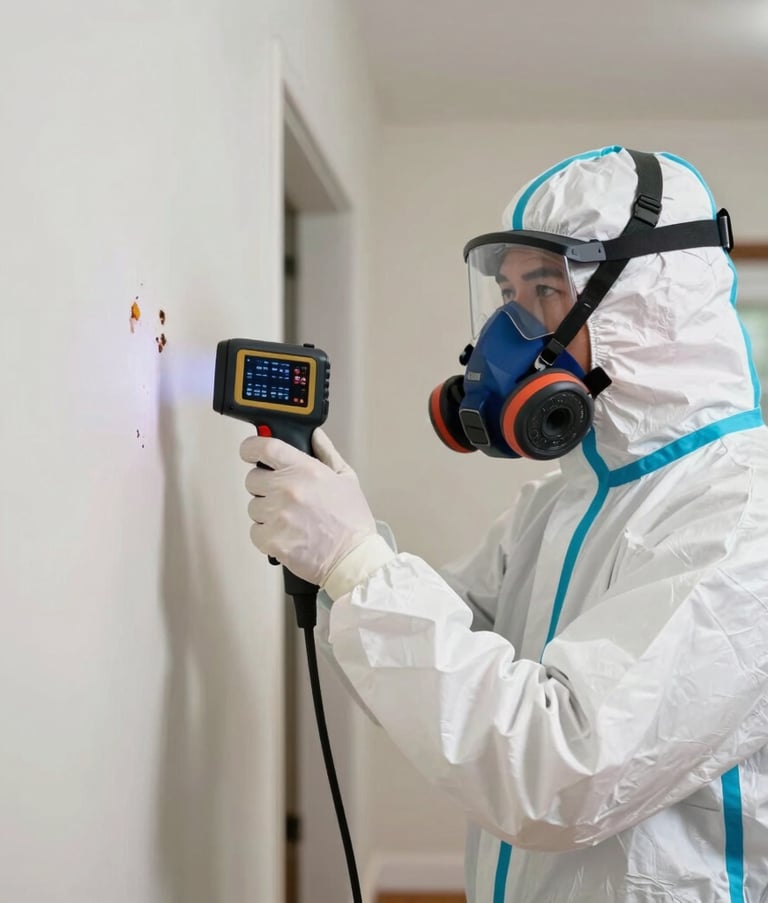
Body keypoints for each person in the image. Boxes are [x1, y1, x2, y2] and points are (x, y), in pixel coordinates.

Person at [240, 146, 768, 902]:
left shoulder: (744, 515)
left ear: (651, 305)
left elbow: (559, 770)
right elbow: (441, 674)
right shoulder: (561, 501)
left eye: (547, 288)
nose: (511, 329)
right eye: (508, 293)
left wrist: (357, 565)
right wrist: (341, 556)